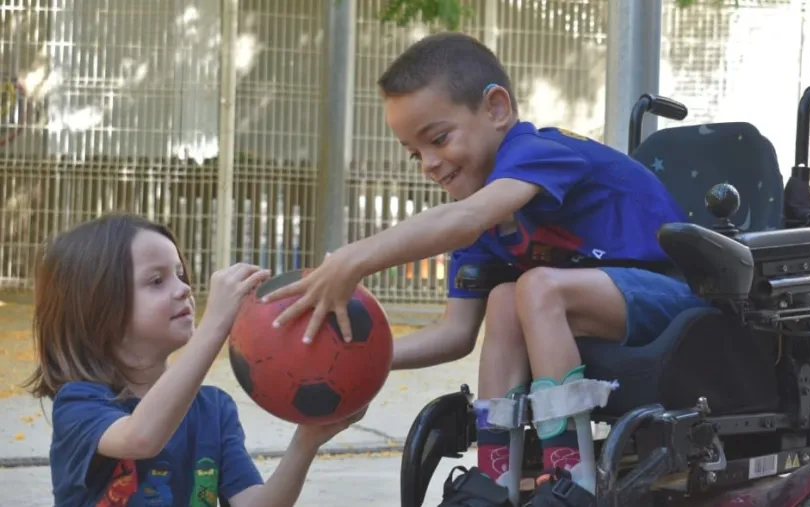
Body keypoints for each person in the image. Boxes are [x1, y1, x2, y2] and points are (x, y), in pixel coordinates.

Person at [261, 32, 709, 506]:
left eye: (438, 139)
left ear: (496, 109)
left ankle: (571, 482)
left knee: (535, 288)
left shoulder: (539, 152)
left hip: (675, 300)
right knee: (504, 298)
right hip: (590, 310)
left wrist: (353, 259)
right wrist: (356, 357)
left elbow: (464, 220)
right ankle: (494, 483)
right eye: (416, 154)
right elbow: (455, 333)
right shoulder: (481, 221)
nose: (429, 164)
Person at [23, 213, 363, 507]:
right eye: (156, 281)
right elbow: (140, 438)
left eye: (180, 274)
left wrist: (307, 440)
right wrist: (215, 324)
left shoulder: (214, 410)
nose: (184, 289)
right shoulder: (80, 405)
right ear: (98, 311)